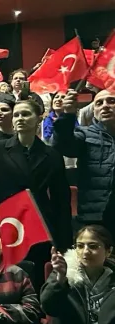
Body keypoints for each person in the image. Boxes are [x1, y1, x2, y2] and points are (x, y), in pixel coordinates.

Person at [0, 99, 72, 289]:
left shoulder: (52, 155)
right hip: (5, 222)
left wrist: (64, 241)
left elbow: (61, 199)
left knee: (35, 276)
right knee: (4, 275)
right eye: (17, 114)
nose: (20, 118)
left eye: (26, 114)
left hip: (38, 223)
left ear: (38, 118)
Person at [53, 89, 115, 236]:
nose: (105, 106)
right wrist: (67, 115)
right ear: (94, 111)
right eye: (99, 103)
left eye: (111, 101)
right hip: (94, 217)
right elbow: (62, 145)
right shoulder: (85, 134)